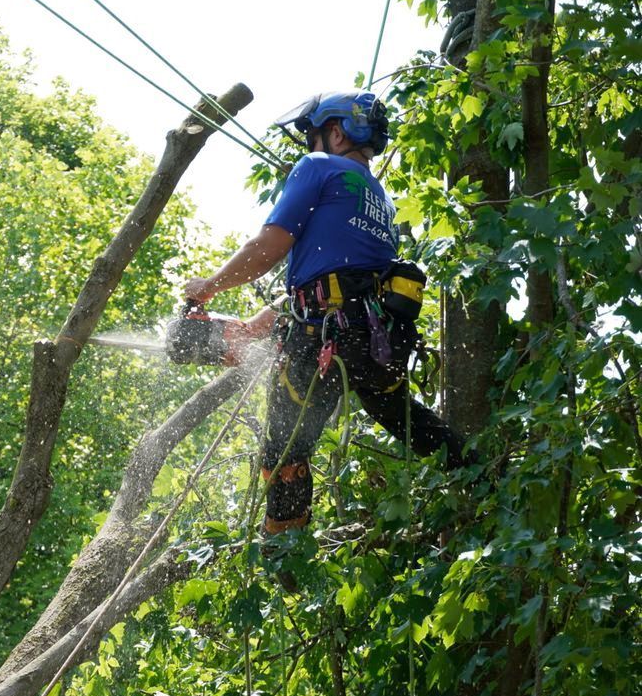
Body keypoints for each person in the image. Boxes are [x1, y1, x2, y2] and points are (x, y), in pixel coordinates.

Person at [184, 90, 471, 537]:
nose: (309, 148)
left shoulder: (316, 166)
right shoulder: (382, 203)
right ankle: (485, 475)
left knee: (283, 452)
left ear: (335, 132)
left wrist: (209, 286)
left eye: (314, 137)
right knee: (414, 425)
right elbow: (344, 279)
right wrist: (270, 316)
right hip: (373, 344)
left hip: (323, 339)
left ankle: (285, 553)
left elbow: (267, 249)